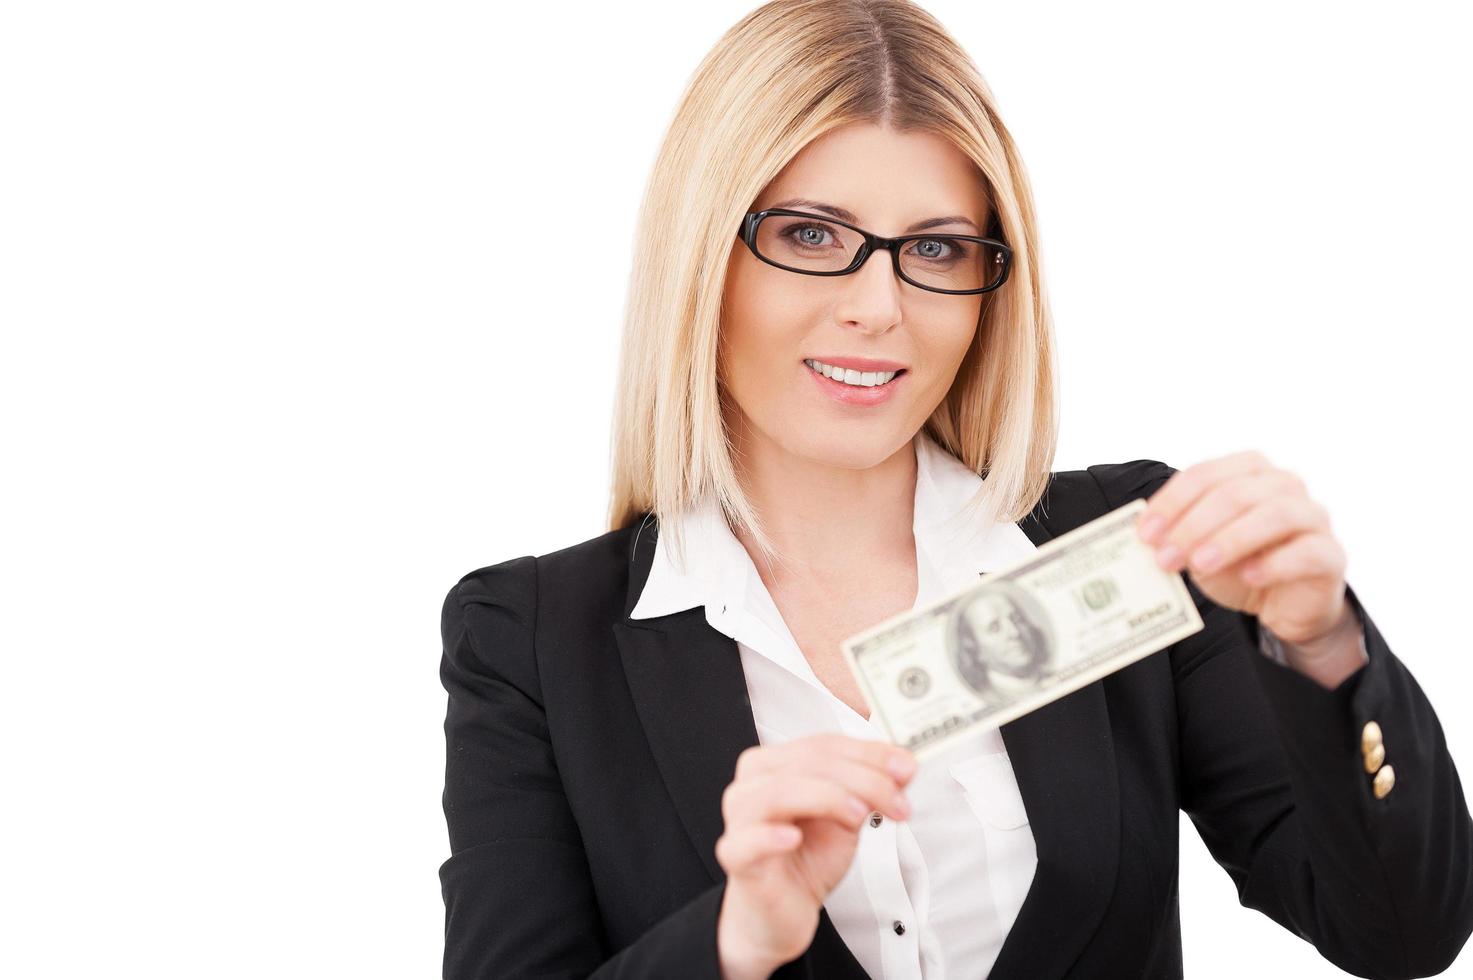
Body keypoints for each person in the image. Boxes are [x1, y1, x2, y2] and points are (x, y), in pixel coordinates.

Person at [437, 1, 1473, 977]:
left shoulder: (1130, 549)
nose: (879, 307)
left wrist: (1321, 642)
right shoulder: (532, 638)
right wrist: (733, 937)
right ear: (705, 257)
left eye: (934, 248)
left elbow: (1403, 928)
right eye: (810, 235)